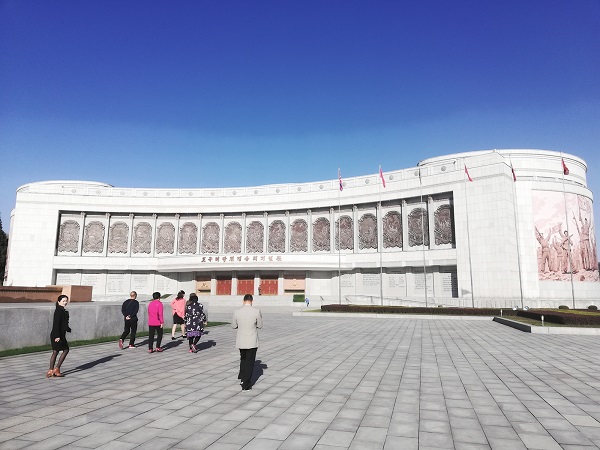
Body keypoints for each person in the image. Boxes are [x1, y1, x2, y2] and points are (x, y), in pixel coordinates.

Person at [232, 294, 263, 390]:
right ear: (251, 301)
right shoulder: (256, 311)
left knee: (243, 359)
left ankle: (242, 376)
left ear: (243, 300)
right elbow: (260, 325)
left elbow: (233, 325)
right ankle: (246, 383)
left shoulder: (237, 312)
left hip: (241, 340)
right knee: (250, 362)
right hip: (251, 340)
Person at [47, 295, 71, 377]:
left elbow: (63, 323)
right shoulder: (59, 311)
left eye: (66, 301)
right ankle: (56, 369)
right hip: (57, 334)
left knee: (55, 352)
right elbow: (56, 324)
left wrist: (67, 329)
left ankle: (51, 370)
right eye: (63, 301)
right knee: (66, 350)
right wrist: (57, 336)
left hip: (59, 334)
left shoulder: (61, 310)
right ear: (59, 302)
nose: (65, 302)